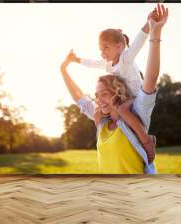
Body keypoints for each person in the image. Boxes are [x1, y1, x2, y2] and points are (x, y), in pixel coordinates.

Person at [60, 4, 168, 174]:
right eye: (96, 95)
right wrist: (66, 67)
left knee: (124, 109)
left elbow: (150, 72)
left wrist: (152, 28)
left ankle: (147, 141)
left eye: (104, 94)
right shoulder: (101, 119)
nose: (98, 100)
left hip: (136, 95)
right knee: (122, 108)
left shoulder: (136, 110)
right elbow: (79, 96)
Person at [69, 16, 156, 162]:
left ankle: (147, 141)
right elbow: (93, 63)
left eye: (106, 47)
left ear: (119, 47)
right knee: (113, 111)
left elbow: (138, 42)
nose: (102, 52)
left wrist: (150, 24)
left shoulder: (126, 58)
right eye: (101, 49)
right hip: (125, 97)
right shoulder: (108, 64)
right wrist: (76, 60)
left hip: (136, 95)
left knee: (121, 109)